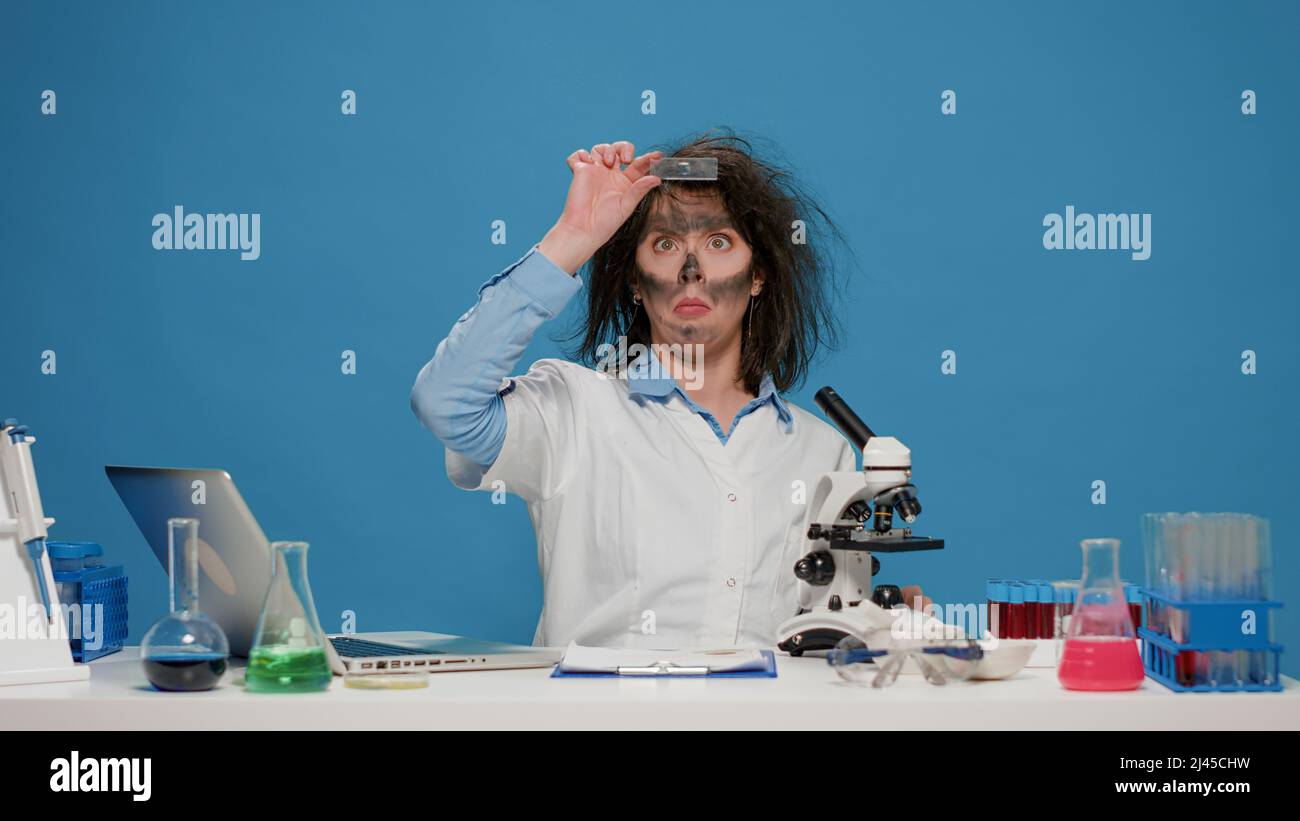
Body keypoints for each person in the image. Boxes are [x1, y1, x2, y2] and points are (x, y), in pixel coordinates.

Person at [411, 131, 929, 648]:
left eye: (719, 242)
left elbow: (815, 631)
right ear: (636, 281)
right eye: (665, 244)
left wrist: (874, 625)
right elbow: (445, 403)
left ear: (758, 276)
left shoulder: (824, 453)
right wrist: (573, 235)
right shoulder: (573, 409)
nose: (691, 272)